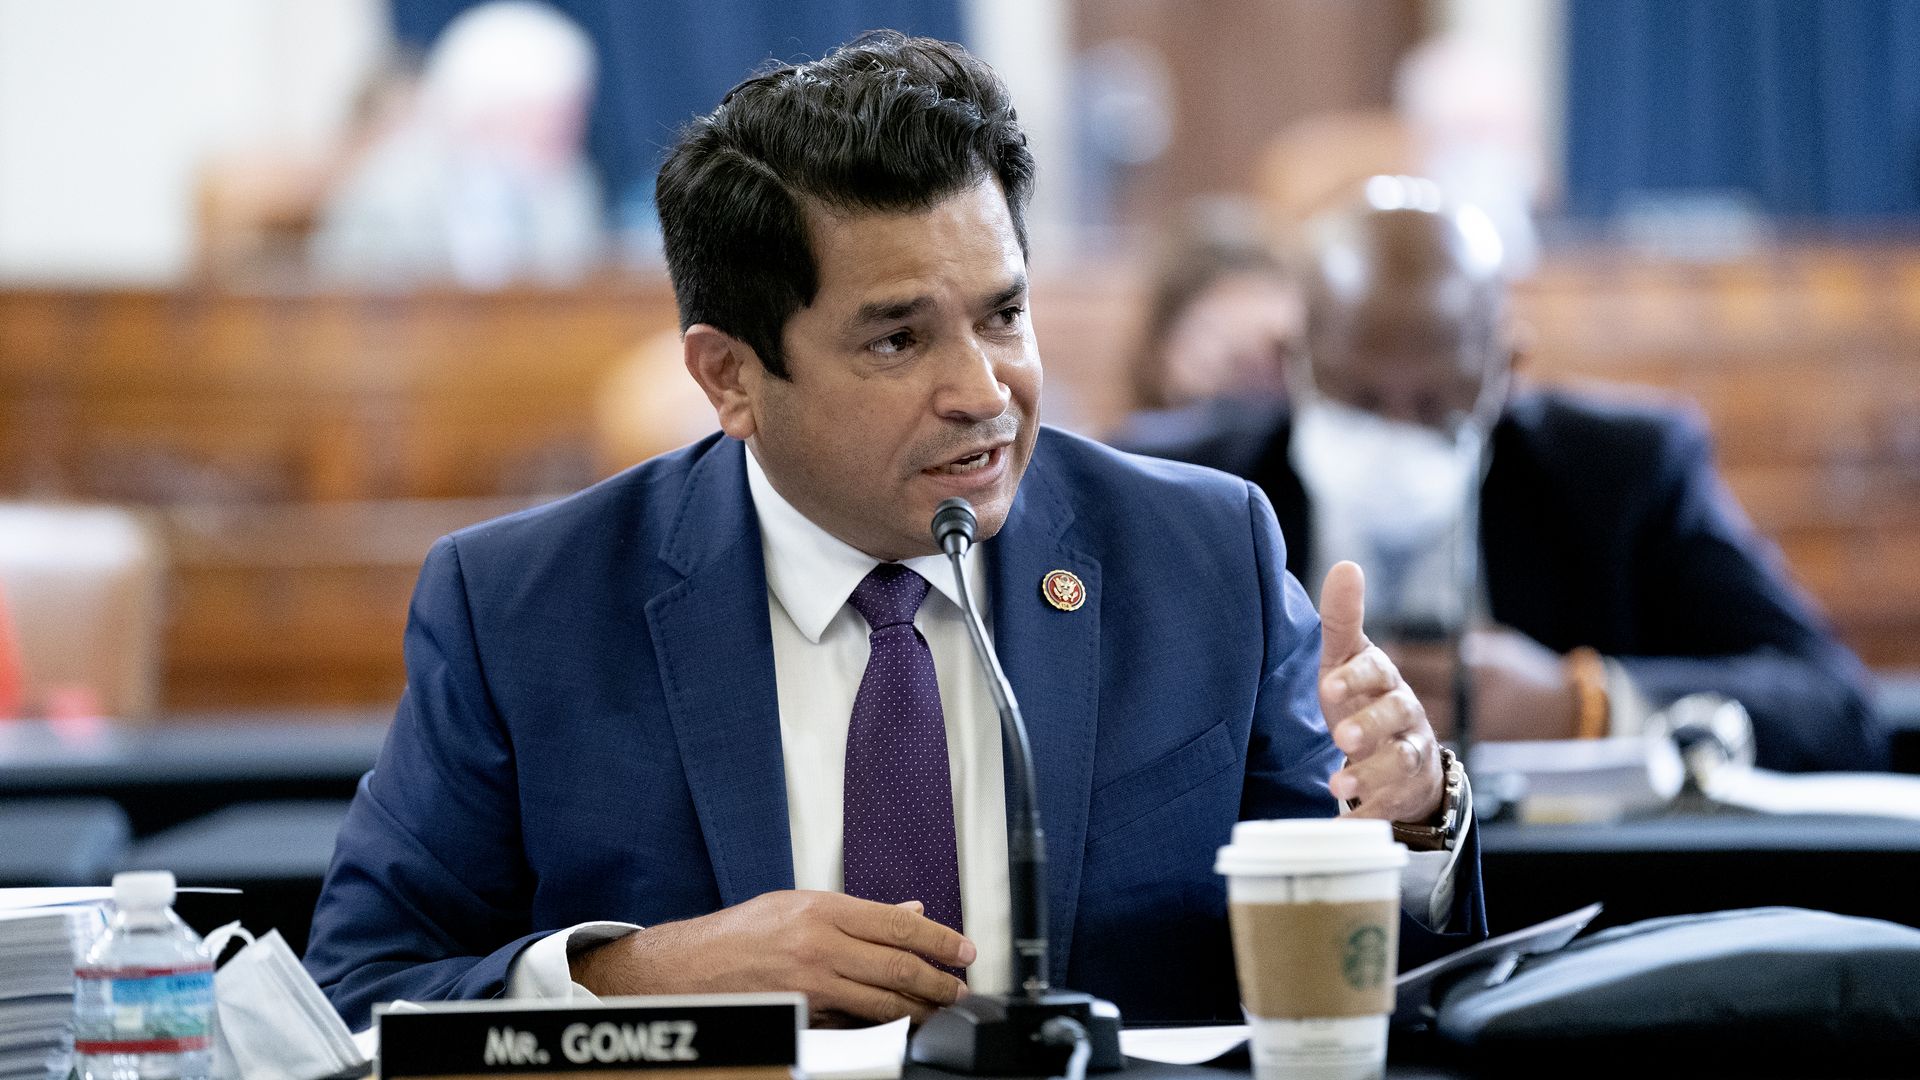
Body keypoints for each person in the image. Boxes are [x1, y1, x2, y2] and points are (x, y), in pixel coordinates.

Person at [304, 35, 1486, 1033]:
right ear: (731, 377)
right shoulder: (525, 609)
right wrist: (636, 980)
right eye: (896, 341)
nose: (984, 391)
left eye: (1004, 314)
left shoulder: (1197, 553)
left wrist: (1415, 815)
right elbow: (358, 994)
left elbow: (1358, 949)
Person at [1121, 178, 1885, 772]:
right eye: (1358, 399)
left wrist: (1580, 704)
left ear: (1504, 371)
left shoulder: (1619, 475)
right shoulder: (1183, 482)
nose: (1395, 430)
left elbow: (1835, 707)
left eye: (1434, 403)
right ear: (1297, 363)